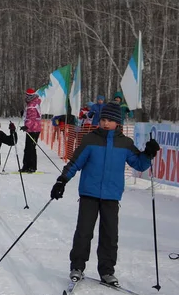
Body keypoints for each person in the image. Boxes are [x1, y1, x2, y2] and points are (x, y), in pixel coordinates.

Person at [50, 103, 160, 285]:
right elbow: (75, 163)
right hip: (89, 193)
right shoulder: (90, 139)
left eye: (109, 120)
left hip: (111, 195)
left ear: (117, 122)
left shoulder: (125, 143)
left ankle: (107, 271)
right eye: (103, 119)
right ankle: (77, 266)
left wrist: (148, 154)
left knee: (110, 235)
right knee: (84, 232)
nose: (105, 123)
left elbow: (139, 164)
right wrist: (62, 180)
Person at [20, 88, 41, 173]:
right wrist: (23, 114)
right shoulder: (31, 104)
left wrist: (26, 126)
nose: (25, 97)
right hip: (31, 129)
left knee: (31, 148)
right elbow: (28, 116)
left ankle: (32, 167)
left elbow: (32, 118)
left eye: (27, 95)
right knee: (27, 148)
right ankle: (26, 166)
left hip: (34, 129)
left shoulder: (32, 104)